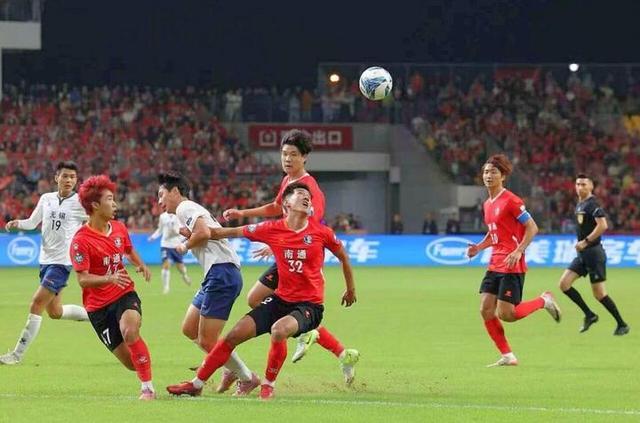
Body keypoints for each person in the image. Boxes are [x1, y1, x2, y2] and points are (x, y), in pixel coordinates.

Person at [167, 182, 356, 400]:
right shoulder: (271, 229)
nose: (306, 197)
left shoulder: (322, 233)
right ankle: (196, 384)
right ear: (286, 203)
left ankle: (268, 386)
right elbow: (227, 232)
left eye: (308, 196)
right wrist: (194, 233)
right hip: (279, 301)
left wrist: (350, 289)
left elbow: (343, 257)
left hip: (309, 306)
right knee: (232, 336)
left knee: (278, 330)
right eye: (300, 194)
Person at [221, 129, 359, 384]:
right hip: (286, 251)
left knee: (264, 304)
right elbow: (276, 207)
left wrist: (279, 242)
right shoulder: (288, 181)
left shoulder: (310, 188)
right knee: (256, 300)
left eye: (293, 154)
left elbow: (309, 228)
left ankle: (304, 334)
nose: (287, 159)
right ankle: (337, 350)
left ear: (304, 157)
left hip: (301, 258)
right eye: (284, 154)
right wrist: (243, 214)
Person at [157, 171, 259, 396]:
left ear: (175, 191)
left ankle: (246, 377)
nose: (159, 201)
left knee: (207, 340)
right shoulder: (188, 211)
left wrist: (185, 245)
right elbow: (203, 233)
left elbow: (203, 233)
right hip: (216, 273)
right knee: (189, 328)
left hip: (222, 273)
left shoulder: (185, 207)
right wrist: (188, 235)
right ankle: (229, 367)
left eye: (161, 195)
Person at [466, 154, 561, 367]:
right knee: (485, 309)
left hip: (511, 263)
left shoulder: (512, 201)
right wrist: (478, 247)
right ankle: (508, 356)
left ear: (503, 176)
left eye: (493, 172)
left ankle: (544, 301)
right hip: (495, 262)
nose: (488, 176)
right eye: (486, 172)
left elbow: (532, 227)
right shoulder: (487, 204)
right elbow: (494, 233)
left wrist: (519, 251)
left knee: (507, 314)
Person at [70, 175, 155, 400]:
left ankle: (147, 388)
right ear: (95, 205)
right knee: (131, 363)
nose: (115, 204)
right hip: (98, 308)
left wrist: (140, 264)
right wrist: (109, 278)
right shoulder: (81, 241)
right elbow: (83, 279)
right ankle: (143, 365)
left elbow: (128, 249)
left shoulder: (118, 228)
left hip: (124, 292)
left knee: (130, 330)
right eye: (109, 199)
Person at [1, 161, 89, 365]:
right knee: (55, 312)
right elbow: (33, 222)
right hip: (45, 260)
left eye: (72, 177)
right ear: (56, 177)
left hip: (62, 263)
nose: (68, 180)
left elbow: (98, 218)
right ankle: (94, 315)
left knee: (36, 303)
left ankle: (16, 355)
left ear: (76, 181)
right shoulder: (46, 198)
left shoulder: (80, 203)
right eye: (65, 176)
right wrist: (17, 223)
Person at [558, 174, 629, 335]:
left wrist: (586, 241)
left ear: (591, 186)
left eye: (583, 184)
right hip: (583, 255)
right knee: (564, 284)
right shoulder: (580, 204)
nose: (580, 187)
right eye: (577, 184)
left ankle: (622, 324)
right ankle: (589, 315)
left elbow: (603, 225)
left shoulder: (592, 204)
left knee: (599, 294)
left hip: (594, 254)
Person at [148, 211, 191, 294]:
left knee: (180, 267)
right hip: (165, 244)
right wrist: (153, 237)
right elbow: (160, 230)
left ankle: (184, 275)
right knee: (166, 264)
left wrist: (182, 239)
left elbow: (183, 230)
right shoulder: (163, 216)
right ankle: (166, 287)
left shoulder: (179, 216)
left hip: (176, 245)